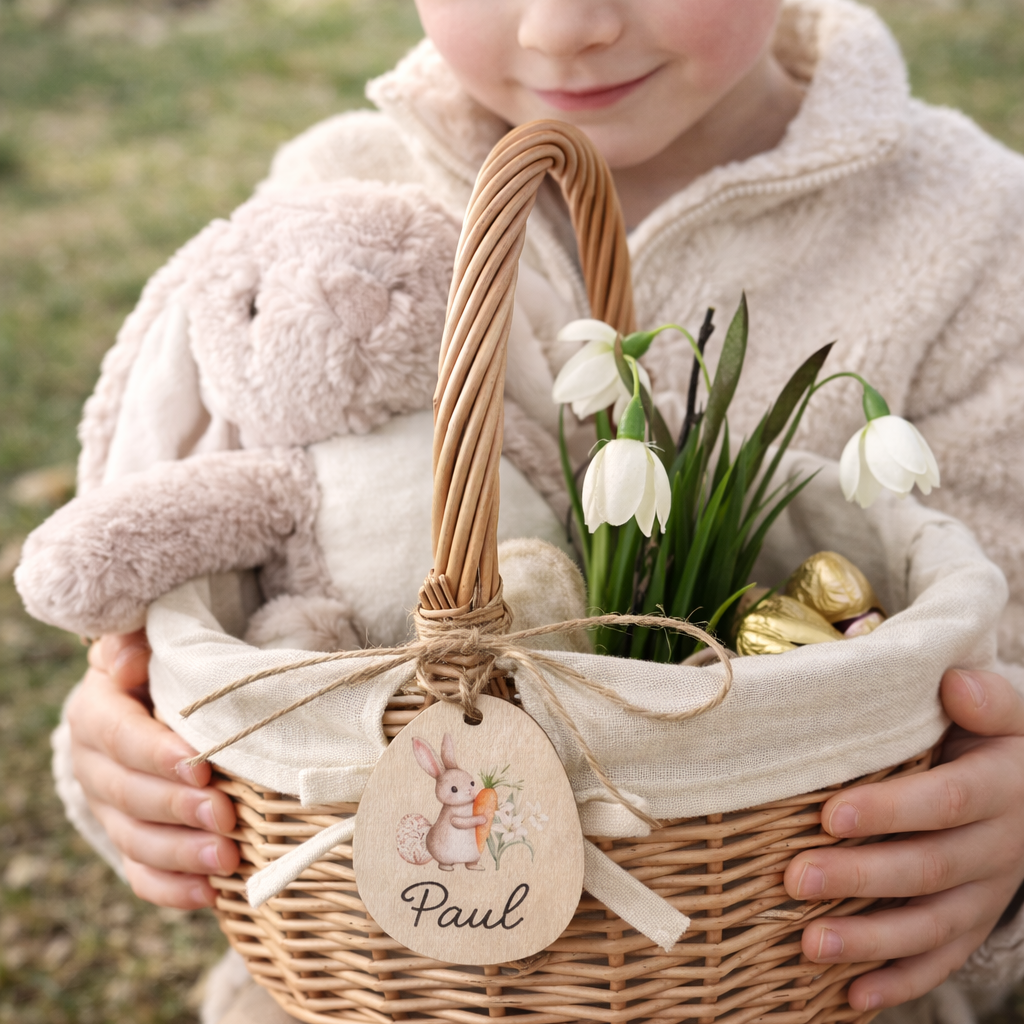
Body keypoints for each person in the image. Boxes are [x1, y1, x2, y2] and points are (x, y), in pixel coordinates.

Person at [54, 1, 1024, 1022]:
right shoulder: (334, 195)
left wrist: (1004, 859)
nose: (563, 29)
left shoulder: (974, 234)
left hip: (788, 972)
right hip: (382, 981)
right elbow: (187, 609)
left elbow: (993, 661)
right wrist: (129, 758)